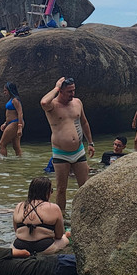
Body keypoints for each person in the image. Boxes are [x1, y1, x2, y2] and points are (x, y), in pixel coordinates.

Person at [41, 76, 94, 213]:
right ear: (61, 91)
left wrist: (90, 143)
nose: (73, 94)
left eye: (73, 90)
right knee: (61, 189)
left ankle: (85, 213)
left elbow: (84, 122)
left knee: (85, 186)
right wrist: (56, 86)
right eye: (69, 91)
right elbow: (43, 102)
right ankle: (61, 217)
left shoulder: (77, 102)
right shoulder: (52, 106)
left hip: (79, 151)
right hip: (60, 152)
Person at [11, 176, 69, 254]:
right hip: (44, 247)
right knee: (65, 239)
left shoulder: (19, 206)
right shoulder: (54, 207)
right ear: (47, 192)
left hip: (19, 246)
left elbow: (16, 231)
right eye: (51, 191)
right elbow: (59, 235)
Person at [0, 81, 24, 157]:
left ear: (10, 90)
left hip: (15, 123)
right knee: (16, 146)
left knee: (2, 144)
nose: (4, 92)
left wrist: (20, 127)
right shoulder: (11, 99)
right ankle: (19, 162)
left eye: (5, 90)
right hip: (11, 123)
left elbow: (20, 113)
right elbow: (10, 114)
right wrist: (5, 123)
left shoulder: (15, 100)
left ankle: (3, 163)